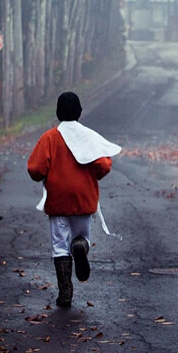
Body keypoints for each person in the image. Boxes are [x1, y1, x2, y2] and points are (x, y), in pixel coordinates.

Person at [27, 91, 121, 307]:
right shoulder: (88, 136)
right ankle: (80, 245)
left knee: (59, 246)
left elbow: (35, 169)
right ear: (79, 111)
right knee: (82, 236)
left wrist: (48, 174)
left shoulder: (49, 137)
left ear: (58, 112)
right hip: (83, 198)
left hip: (58, 199)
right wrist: (90, 175)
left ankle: (65, 292)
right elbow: (104, 165)